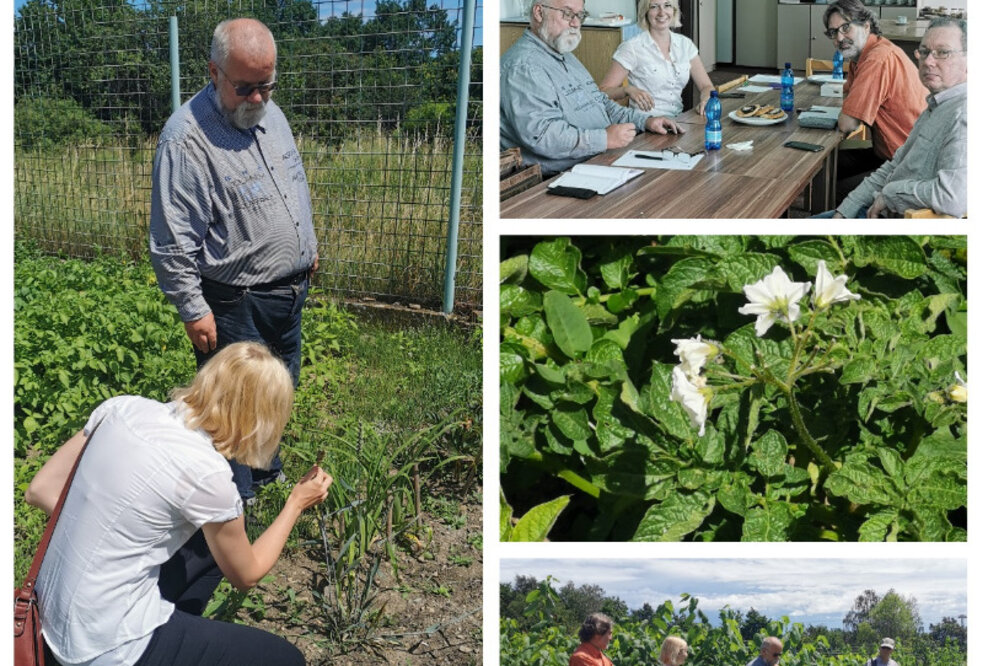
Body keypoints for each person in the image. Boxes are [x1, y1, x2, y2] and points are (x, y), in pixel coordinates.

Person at [25, 342, 333, 666]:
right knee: (284, 658)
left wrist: (108, 528)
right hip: (103, 644)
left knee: (208, 549)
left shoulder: (123, 409)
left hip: (47, 614)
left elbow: (41, 489)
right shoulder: (206, 474)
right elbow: (248, 574)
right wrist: (296, 503)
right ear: (261, 418)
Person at [149, 17, 318, 502]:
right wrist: (192, 307)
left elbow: (293, 182)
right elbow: (171, 236)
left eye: (267, 85)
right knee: (233, 406)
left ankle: (262, 472)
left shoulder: (272, 114)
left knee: (279, 386)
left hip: (288, 291)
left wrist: (307, 242)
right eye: (245, 88)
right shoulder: (186, 139)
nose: (258, 100)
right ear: (213, 72)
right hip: (234, 301)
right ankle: (230, 497)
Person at [501, 0, 684, 176]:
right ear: (539, 13)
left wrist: (645, 121)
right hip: (558, 178)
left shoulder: (564, 55)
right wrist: (604, 139)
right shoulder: (524, 67)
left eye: (580, 15)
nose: (575, 23)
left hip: (597, 161)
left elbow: (602, 103)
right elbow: (544, 137)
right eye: (567, 13)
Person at [831, 17, 966, 218]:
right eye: (925, 52)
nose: (928, 61)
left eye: (943, 53)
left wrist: (889, 194)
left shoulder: (964, 115)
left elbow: (953, 198)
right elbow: (895, 166)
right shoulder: (936, 104)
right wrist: (843, 212)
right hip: (885, 195)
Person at [823, 0, 927, 197]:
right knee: (827, 166)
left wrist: (851, 109)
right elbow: (848, 95)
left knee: (835, 189)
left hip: (908, 165)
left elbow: (848, 124)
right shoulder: (862, 55)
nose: (839, 37)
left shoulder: (876, 59)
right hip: (890, 154)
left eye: (846, 27)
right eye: (833, 32)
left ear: (865, 25)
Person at [600, 0, 715, 118]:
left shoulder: (685, 44)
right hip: (645, 124)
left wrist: (706, 99)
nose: (662, 12)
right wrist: (627, 90)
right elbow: (603, 92)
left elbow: (706, 86)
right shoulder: (632, 48)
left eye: (667, 5)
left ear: (674, 10)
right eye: (654, 7)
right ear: (645, 12)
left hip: (678, 120)